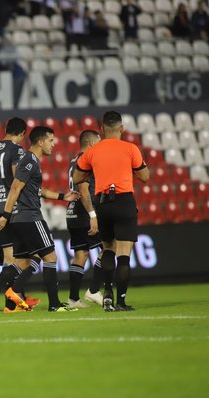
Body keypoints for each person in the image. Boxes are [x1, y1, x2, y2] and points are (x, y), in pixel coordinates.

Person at [0, 126, 80, 312]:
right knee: (50, 257)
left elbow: (35, 190)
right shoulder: (29, 161)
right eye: (50, 140)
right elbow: (15, 187)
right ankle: (53, 304)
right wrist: (5, 216)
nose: (53, 144)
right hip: (29, 216)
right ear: (40, 142)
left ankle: (8, 302)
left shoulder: (31, 161)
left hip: (20, 218)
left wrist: (62, 197)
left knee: (22, 262)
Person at [73, 111, 150, 312]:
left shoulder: (93, 151)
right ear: (121, 129)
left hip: (103, 202)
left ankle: (107, 294)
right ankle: (121, 301)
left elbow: (77, 177)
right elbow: (145, 176)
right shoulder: (131, 148)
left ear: (102, 129)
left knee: (107, 250)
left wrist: (95, 171)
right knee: (124, 255)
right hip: (124, 201)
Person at [0, 117, 40, 312]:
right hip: (12, 208)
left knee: (11, 259)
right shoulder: (17, 150)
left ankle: (11, 303)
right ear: (23, 134)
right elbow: (18, 179)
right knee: (25, 258)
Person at [65, 130, 104, 308]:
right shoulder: (87, 160)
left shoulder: (74, 160)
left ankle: (73, 299)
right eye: (99, 141)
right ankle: (94, 290)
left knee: (80, 254)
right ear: (91, 144)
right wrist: (93, 215)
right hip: (84, 212)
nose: (101, 144)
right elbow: (83, 190)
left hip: (72, 212)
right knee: (110, 249)